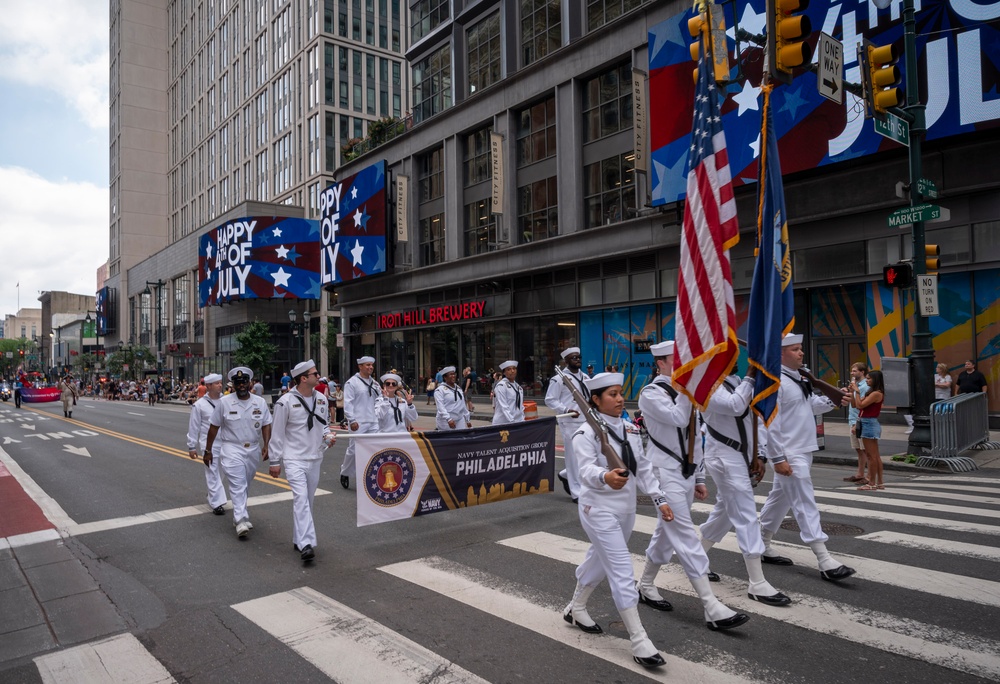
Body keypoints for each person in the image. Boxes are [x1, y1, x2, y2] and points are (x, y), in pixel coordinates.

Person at [635, 341, 751, 630]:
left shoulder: (685, 393)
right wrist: (689, 389)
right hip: (663, 473)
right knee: (685, 534)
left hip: (684, 473)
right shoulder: (651, 393)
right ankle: (711, 606)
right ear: (660, 364)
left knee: (667, 532)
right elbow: (677, 418)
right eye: (675, 360)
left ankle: (645, 585)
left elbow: (694, 438)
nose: (682, 365)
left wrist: (698, 476)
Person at [563, 372, 670, 669]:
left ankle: (577, 607)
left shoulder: (629, 429)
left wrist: (659, 498)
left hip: (626, 509)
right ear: (595, 400)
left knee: (599, 559)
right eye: (612, 394)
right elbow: (583, 470)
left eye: (620, 392)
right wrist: (604, 476)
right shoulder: (585, 433)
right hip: (597, 509)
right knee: (622, 569)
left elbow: (644, 468)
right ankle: (639, 640)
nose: (620, 399)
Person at [758, 334, 856, 581]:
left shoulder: (798, 378)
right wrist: (777, 457)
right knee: (804, 502)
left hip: (803, 449)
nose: (801, 353)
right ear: (780, 354)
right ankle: (824, 559)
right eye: (795, 349)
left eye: (800, 349)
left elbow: (808, 405)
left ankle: (761, 542)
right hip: (789, 452)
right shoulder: (774, 381)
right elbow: (769, 423)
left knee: (780, 500)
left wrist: (833, 399)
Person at [698, 365, 791, 607]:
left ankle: (696, 559)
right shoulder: (705, 382)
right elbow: (734, 405)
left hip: (741, 456)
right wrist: (751, 376)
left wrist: (759, 455)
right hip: (723, 457)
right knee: (746, 514)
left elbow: (754, 419)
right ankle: (757, 582)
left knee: (725, 513)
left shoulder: (736, 380)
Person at [269, 359, 335, 562]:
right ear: (304, 378)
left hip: (315, 457)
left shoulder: (322, 399)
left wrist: (328, 436)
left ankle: (299, 539)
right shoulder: (285, 402)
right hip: (294, 458)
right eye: (315, 374)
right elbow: (277, 433)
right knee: (301, 498)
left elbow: (323, 424)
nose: (319, 376)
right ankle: (307, 543)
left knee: (308, 500)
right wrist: (274, 461)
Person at [203, 367, 273, 539]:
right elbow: (213, 427)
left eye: (244, 382)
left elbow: (266, 424)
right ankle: (240, 518)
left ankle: (241, 513)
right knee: (237, 483)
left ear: (250, 383)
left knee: (245, 483)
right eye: (237, 383)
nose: (241, 385)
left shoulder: (260, 402)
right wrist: (208, 450)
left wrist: (267, 445)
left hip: (253, 449)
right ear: (232, 385)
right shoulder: (224, 403)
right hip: (231, 448)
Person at [544, 347, 590, 502]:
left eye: (579, 357)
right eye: (573, 357)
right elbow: (550, 399)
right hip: (569, 421)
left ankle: (565, 474)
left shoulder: (585, 377)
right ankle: (576, 492)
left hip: (586, 420)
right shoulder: (559, 379)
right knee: (572, 456)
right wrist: (565, 409)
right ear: (566, 361)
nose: (577, 359)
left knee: (585, 455)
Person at [186, 373, 228, 515]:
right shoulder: (199, 405)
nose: (220, 385)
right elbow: (194, 426)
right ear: (208, 386)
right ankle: (217, 503)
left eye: (220, 383)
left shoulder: (227, 401)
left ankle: (212, 495)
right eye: (216, 383)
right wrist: (192, 446)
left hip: (226, 443)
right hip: (209, 445)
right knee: (212, 472)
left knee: (222, 473)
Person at [342, 355, 379, 489]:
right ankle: (345, 472)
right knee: (353, 449)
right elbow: (348, 403)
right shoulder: (352, 383)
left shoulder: (375, 383)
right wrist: (351, 419)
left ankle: (368, 475)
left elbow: (379, 401)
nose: (370, 367)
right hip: (359, 421)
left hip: (374, 421)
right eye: (367, 365)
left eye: (371, 365)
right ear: (360, 366)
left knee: (373, 449)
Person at [851, 369, 885, 491]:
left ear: (875, 380)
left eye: (869, 378)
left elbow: (860, 405)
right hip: (867, 422)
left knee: (871, 456)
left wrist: (858, 392)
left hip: (869, 423)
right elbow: (855, 405)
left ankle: (871, 483)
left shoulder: (876, 393)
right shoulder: (873, 392)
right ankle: (879, 482)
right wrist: (853, 392)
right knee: (875, 456)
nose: (867, 380)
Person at [843, 363, 869, 484]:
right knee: (858, 449)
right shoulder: (856, 385)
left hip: (860, 420)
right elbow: (852, 403)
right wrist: (849, 391)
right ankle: (860, 474)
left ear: (862, 372)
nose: (852, 373)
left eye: (854, 371)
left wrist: (856, 423)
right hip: (853, 419)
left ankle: (869, 476)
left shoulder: (865, 386)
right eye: (852, 371)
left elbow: (861, 405)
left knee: (866, 449)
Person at [435, 366, 471, 430]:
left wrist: (467, 419)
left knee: (461, 438)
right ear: (445, 377)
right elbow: (440, 407)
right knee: (449, 439)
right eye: (451, 374)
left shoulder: (458, 389)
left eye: (454, 374)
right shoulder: (440, 390)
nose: (453, 376)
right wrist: (448, 419)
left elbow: (462, 404)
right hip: (445, 421)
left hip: (459, 419)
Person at [492, 360, 524, 425]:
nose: (512, 371)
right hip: (503, 422)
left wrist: (522, 420)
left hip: (517, 422)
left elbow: (521, 407)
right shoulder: (501, 386)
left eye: (514, 369)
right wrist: (512, 422)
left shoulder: (519, 387)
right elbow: (504, 406)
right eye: (509, 369)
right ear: (504, 372)